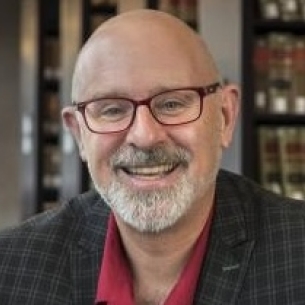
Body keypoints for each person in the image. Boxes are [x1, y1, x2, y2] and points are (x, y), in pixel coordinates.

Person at [1, 9, 305, 305]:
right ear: (79, 134)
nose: (145, 137)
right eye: (112, 109)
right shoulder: (11, 268)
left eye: (172, 104)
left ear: (224, 117)